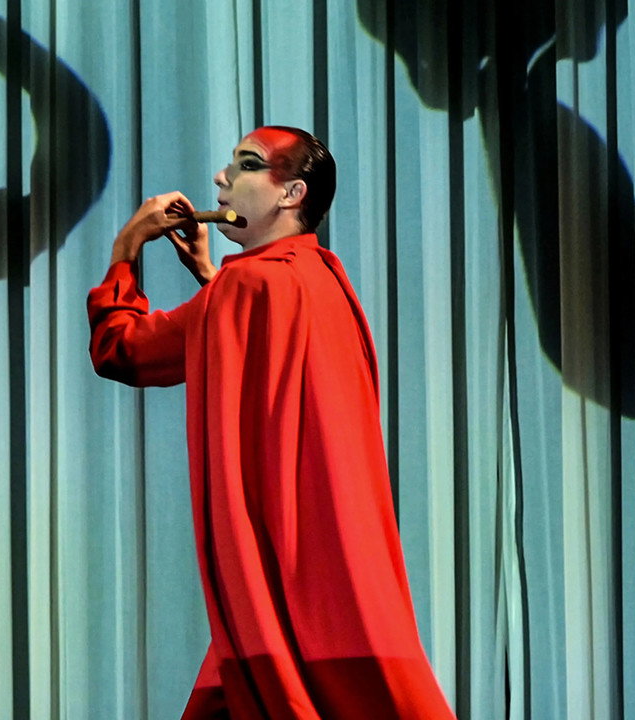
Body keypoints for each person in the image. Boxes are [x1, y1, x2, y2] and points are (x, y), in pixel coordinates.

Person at [87, 126, 455, 718]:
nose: (221, 179)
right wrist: (212, 282)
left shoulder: (248, 286)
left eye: (247, 165)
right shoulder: (324, 281)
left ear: (292, 195)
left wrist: (127, 247)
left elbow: (121, 350)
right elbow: (256, 347)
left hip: (278, 596)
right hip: (327, 588)